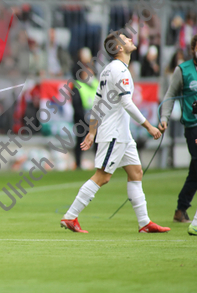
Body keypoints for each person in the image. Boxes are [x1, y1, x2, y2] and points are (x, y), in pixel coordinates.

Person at [60, 31, 170, 233]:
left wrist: (92, 132)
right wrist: (149, 126)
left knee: (136, 172)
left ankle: (144, 222)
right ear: (119, 48)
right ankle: (70, 216)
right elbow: (126, 103)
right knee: (102, 177)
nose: (130, 39)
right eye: (125, 39)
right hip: (114, 134)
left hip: (122, 134)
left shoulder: (108, 70)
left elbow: (97, 103)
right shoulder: (120, 71)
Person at [159, 35, 197, 224]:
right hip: (193, 126)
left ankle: (181, 208)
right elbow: (170, 95)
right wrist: (164, 118)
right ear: (193, 49)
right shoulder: (183, 70)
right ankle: (182, 208)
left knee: (196, 169)